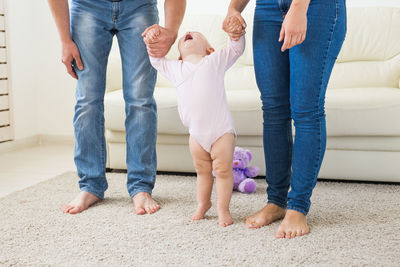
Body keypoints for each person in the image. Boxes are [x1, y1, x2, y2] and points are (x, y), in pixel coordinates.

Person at [47, 0, 186, 215]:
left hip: (139, 6)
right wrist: (65, 40)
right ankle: (90, 185)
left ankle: (140, 187)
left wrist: (172, 31)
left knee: (140, 99)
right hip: (87, 7)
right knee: (87, 100)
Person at [223, 0, 346, 238]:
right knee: (273, 109)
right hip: (268, 6)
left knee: (306, 109)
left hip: (317, 7)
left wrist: (298, 8)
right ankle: (276, 201)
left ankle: (297, 207)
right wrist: (234, 8)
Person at [144, 19, 245, 226]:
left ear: (209, 49)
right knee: (202, 171)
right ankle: (203, 203)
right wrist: (153, 39)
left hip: (221, 131)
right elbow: (155, 60)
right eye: (183, 38)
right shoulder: (175, 67)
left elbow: (236, 49)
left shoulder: (214, 60)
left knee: (223, 171)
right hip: (196, 134)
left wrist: (236, 35)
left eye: (195, 34)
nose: (188, 32)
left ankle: (222, 208)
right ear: (179, 54)